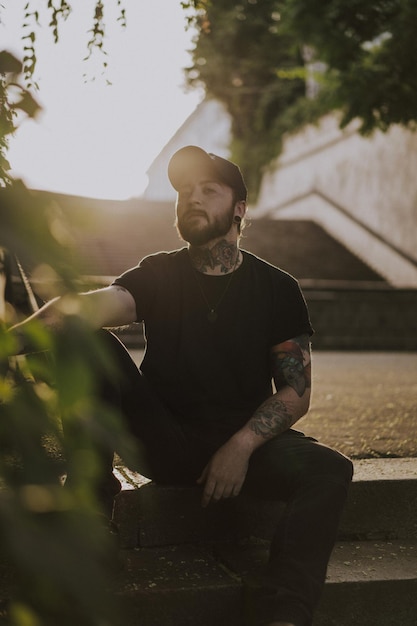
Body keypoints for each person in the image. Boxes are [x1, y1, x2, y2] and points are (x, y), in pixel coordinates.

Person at [11, 146, 353, 626]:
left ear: (239, 208)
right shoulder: (160, 272)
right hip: (163, 436)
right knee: (89, 341)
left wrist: (242, 445)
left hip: (245, 445)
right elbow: (89, 309)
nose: (191, 198)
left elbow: (295, 392)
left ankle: (285, 614)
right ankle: (90, 514)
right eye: (184, 191)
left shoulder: (277, 288)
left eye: (208, 190)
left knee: (329, 469)